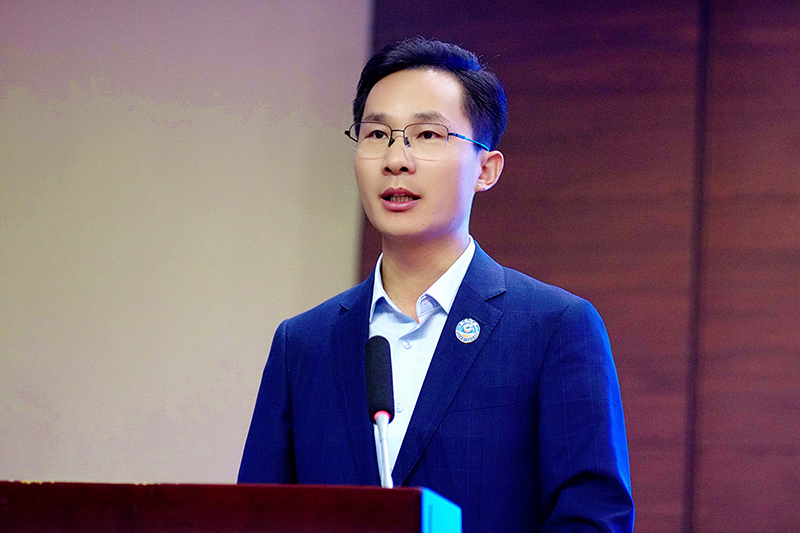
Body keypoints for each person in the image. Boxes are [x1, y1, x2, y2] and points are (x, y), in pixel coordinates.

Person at [238, 37, 634, 533]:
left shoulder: (553, 328)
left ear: (485, 169)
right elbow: (256, 518)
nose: (396, 159)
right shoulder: (303, 344)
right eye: (377, 134)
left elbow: (592, 519)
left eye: (426, 135)